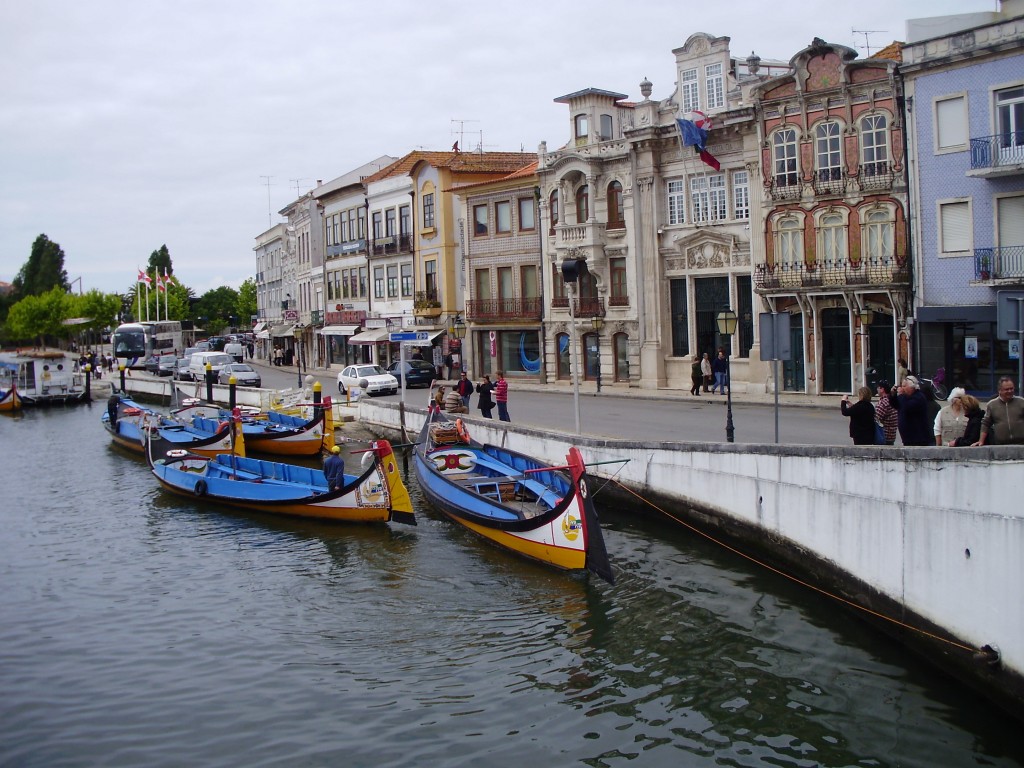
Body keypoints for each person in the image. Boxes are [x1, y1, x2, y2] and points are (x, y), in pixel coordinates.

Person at [976, 377, 1024, 445]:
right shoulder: (992, 405)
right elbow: (986, 424)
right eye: (1007, 389)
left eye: (1011, 388)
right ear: (1000, 390)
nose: (1010, 391)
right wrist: (981, 441)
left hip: (1021, 444)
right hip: (1001, 446)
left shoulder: (1021, 402)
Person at [888, 375, 931, 446]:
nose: (902, 388)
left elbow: (907, 407)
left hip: (917, 438)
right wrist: (893, 395)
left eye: (904, 386)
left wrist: (901, 395)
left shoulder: (919, 397)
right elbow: (896, 405)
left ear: (912, 387)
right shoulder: (904, 397)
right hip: (907, 438)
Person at [874, 381, 898, 445]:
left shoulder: (884, 403)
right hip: (892, 435)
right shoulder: (892, 400)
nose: (877, 389)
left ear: (882, 389)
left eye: (878, 388)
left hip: (884, 436)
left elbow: (876, 418)